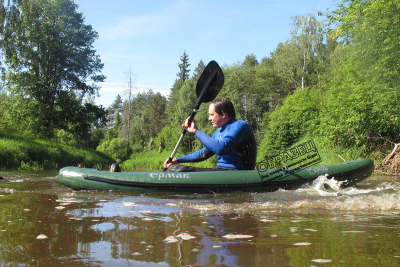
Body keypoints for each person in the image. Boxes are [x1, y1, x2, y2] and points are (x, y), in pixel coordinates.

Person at [163, 97, 257, 172]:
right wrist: (177, 160)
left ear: (223, 114)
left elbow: (221, 148)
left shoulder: (239, 126)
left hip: (240, 172)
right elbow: (204, 154)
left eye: (212, 115)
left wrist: (196, 131)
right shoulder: (218, 132)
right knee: (177, 168)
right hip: (221, 171)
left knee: (178, 170)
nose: (209, 118)